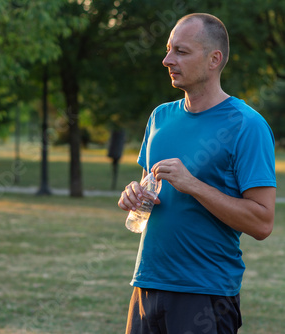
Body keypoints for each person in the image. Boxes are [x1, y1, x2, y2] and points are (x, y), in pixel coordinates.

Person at [118, 13, 276, 333]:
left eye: (181, 51)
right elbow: (154, 190)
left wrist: (193, 184)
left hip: (205, 295)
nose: (167, 60)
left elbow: (262, 222)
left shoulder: (247, 125)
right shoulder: (160, 117)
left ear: (214, 59)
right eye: (168, 49)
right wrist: (133, 193)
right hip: (147, 284)